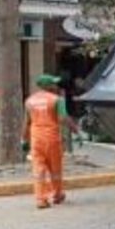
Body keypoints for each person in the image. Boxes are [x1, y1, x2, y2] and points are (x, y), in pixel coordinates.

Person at [22, 74, 79, 209]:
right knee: (55, 169)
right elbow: (63, 118)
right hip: (52, 138)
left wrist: (23, 140)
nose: (56, 86)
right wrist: (76, 129)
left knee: (38, 170)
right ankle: (57, 195)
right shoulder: (57, 100)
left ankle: (41, 199)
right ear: (47, 86)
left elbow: (26, 122)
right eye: (54, 84)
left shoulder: (29, 101)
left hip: (36, 139)